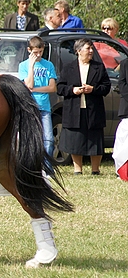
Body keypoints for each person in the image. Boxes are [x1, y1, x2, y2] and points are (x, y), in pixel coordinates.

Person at [56, 38, 111, 175]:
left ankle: (95, 170)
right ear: (78, 51)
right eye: (88, 48)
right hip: (74, 110)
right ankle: (77, 170)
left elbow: (106, 87)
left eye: (92, 48)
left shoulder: (98, 67)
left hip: (93, 110)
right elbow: (60, 87)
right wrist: (72, 90)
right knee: (76, 140)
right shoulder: (69, 67)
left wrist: (93, 89)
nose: (91, 51)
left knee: (95, 140)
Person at [18, 36, 57, 176]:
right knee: (31, 140)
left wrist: (35, 90)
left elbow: (52, 88)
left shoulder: (49, 65)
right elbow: (28, 85)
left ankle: (47, 169)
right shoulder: (23, 66)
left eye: (41, 52)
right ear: (29, 50)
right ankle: (31, 169)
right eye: (35, 52)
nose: (38, 55)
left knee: (48, 140)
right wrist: (31, 65)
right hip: (29, 107)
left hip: (44, 107)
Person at [113, 58, 128, 181]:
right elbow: (122, 84)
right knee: (123, 142)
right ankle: (122, 170)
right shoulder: (125, 63)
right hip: (127, 110)